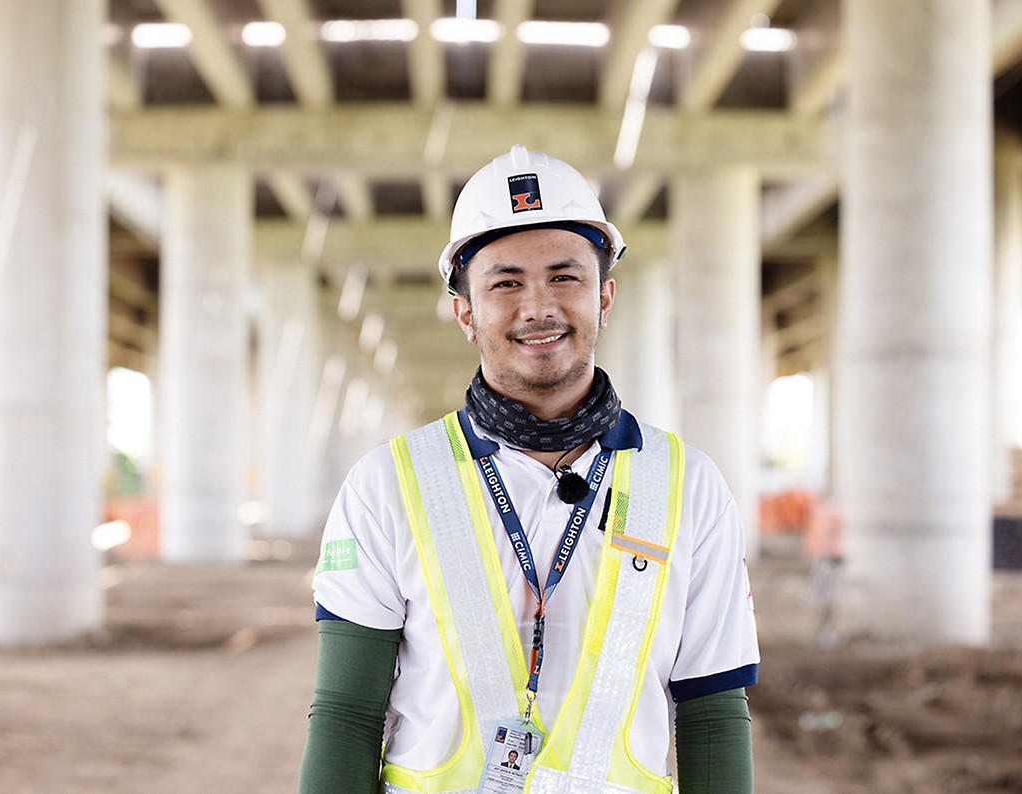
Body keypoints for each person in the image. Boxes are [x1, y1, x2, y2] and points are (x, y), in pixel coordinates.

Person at [299, 145, 759, 793]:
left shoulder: (689, 486)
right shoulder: (387, 485)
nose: (538, 307)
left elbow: (712, 714)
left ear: (605, 296)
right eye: (506, 282)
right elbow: (347, 715)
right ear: (466, 312)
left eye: (564, 277)